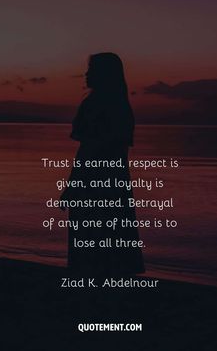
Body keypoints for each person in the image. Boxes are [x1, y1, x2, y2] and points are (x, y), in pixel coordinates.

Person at [61, 52, 145, 277]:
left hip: (95, 183)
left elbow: (88, 150)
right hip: (113, 182)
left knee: (92, 243)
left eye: (92, 70)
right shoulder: (119, 106)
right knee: (109, 241)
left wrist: (73, 185)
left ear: (104, 75)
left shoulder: (97, 105)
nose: (86, 74)